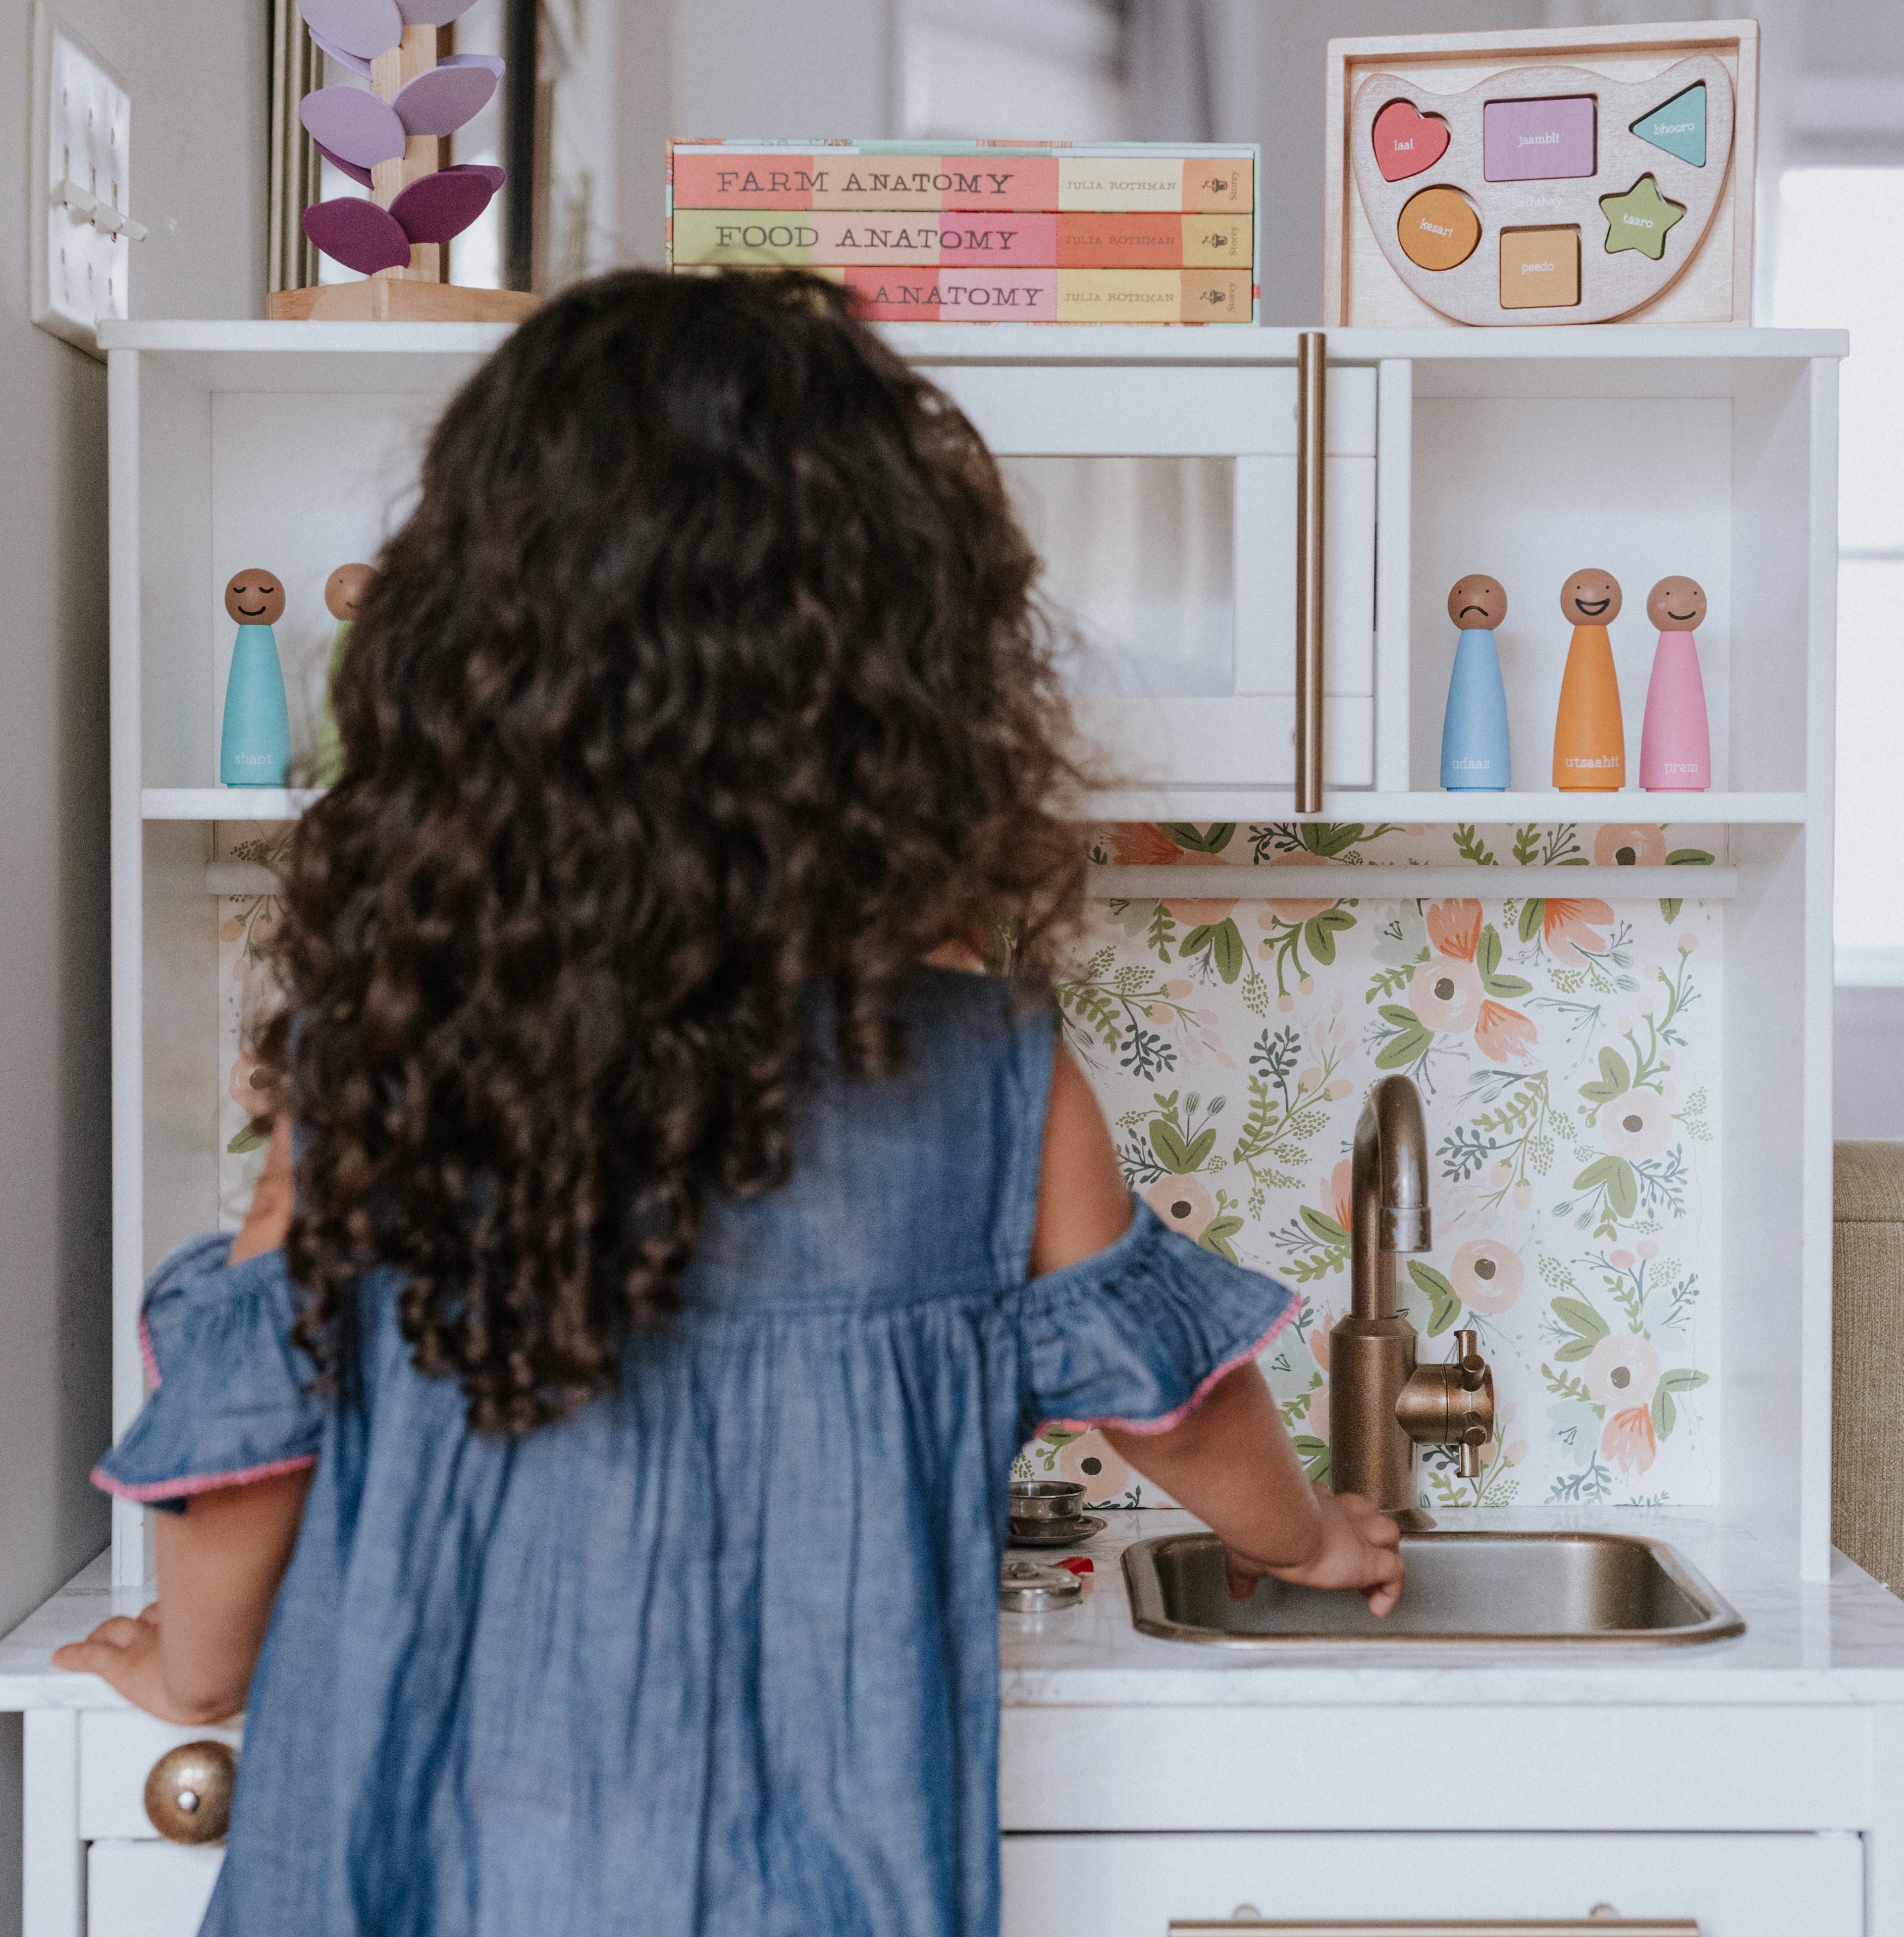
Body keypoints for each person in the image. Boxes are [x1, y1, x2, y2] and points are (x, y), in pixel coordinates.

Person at [55, 270, 1402, 1937]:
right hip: (809, 1880)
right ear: (901, 679)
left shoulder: (391, 1051)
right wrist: (1304, 1545)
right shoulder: (985, 1070)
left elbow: (255, 1433)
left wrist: (193, 1665)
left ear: (477, 651)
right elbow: (1178, 1411)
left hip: (408, 1862)